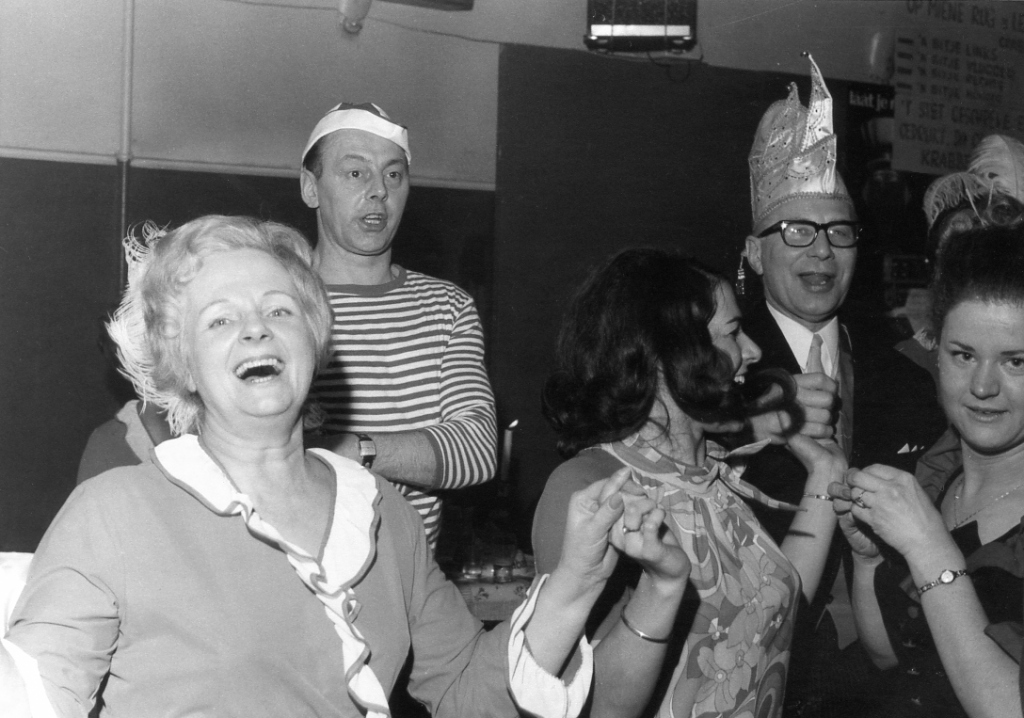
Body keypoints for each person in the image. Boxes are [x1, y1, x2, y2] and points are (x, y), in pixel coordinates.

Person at [0, 215, 664, 718]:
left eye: (279, 309)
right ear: (184, 368)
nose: (256, 329)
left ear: (314, 341)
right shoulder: (114, 514)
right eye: (220, 320)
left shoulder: (382, 513)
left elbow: (469, 693)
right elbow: (36, 694)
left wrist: (576, 578)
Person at [533, 247, 844, 718]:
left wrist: (825, 472)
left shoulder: (714, 477)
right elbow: (584, 704)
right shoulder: (590, 486)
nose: (753, 351)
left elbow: (773, 614)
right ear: (666, 355)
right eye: (733, 333)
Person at [738, 57, 944, 684]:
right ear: (754, 253)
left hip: (881, 670)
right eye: (797, 230)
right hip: (747, 664)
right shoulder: (716, 376)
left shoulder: (907, 377)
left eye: (839, 231)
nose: (823, 250)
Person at [831, 224, 1024, 718]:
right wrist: (870, 562)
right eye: (964, 355)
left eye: (1015, 362)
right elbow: (892, 657)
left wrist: (929, 550)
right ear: (935, 352)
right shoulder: (935, 478)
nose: (982, 386)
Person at [299, 102, 495, 548]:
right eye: (355, 173)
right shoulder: (278, 301)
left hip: (412, 577)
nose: (378, 192)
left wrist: (345, 447)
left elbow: (478, 450)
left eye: (393, 175)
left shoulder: (447, 307)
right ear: (311, 187)